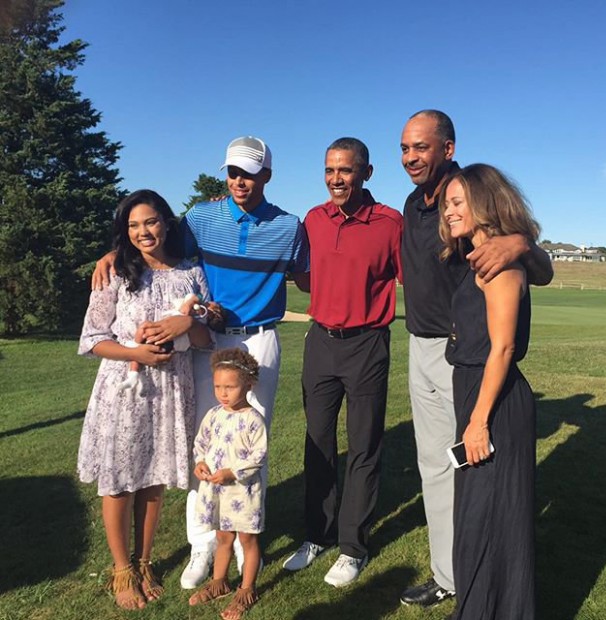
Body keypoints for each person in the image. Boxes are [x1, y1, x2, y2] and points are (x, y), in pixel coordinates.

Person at [92, 136, 310, 589]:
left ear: (266, 175)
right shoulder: (201, 216)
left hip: (258, 340)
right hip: (205, 342)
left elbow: (307, 277)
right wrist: (115, 252)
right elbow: (154, 245)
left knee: (251, 442)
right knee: (203, 439)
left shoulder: (290, 226)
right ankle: (203, 544)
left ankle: (248, 538)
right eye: (233, 172)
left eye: (249, 173)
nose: (239, 180)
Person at [398, 110, 552, 608]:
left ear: (446, 148)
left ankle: (483, 597)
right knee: (447, 479)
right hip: (434, 350)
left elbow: (504, 345)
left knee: (486, 502)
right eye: (404, 148)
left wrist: (521, 241)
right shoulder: (425, 217)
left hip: (476, 367)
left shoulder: (497, 255)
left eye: (420, 146)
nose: (410, 156)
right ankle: (456, 580)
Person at [78, 189, 211, 609]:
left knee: (153, 477)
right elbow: (93, 338)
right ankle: (122, 569)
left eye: (150, 221)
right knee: (119, 479)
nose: (143, 232)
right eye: (133, 225)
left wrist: (187, 321)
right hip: (124, 389)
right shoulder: (115, 271)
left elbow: (206, 340)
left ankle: (146, 559)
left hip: (171, 389)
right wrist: (135, 353)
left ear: (166, 222)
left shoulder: (190, 272)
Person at [283, 138, 402, 587]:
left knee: (365, 445)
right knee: (318, 443)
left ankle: (353, 546)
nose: (337, 179)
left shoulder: (391, 223)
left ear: (366, 173)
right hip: (321, 342)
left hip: (368, 344)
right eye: (330, 170)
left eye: (346, 171)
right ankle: (318, 534)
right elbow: (303, 279)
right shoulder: (313, 219)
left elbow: (417, 274)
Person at [439, 163, 538, 619]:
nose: (450, 211)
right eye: (447, 204)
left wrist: (477, 423)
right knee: (477, 520)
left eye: (459, 202)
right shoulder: (472, 257)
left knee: (490, 522)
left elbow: (503, 348)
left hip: (493, 402)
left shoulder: (500, 266)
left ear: (484, 204)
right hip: (475, 393)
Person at [188, 348, 266, 619]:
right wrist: (200, 462)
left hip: (242, 492)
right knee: (222, 536)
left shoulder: (254, 420)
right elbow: (201, 443)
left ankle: (246, 588)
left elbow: (258, 456)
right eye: (218, 386)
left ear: (248, 384)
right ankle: (219, 581)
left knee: (247, 538)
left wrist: (232, 473)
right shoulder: (213, 415)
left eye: (230, 387)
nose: (223, 393)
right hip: (216, 491)